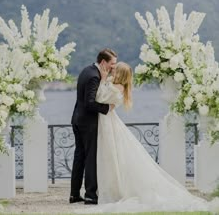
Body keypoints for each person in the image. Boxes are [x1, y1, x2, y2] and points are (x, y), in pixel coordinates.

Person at [81, 61, 219, 213]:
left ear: (119, 74)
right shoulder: (114, 85)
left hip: (108, 124)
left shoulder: (118, 87)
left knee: (111, 157)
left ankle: (112, 189)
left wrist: (103, 79)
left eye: (115, 69)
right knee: (109, 157)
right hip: (105, 122)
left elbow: (100, 97)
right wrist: (105, 79)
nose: (112, 70)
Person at [69, 48, 117, 205]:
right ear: (103, 62)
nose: (113, 67)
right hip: (87, 123)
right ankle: (90, 195)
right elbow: (90, 102)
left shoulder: (86, 70)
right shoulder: (94, 77)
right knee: (90, 158)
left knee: (79, 157)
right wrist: (107, 108)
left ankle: (74, 194)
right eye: (112, 64)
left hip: (77, 119)